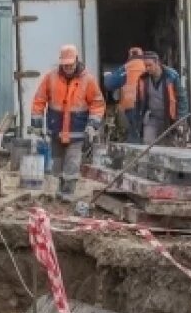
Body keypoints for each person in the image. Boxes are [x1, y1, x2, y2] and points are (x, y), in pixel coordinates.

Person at [31, 44, 106, 200]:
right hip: (56, 128)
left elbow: (97, 104)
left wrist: (92, 126)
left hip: (77, 130)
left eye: (70, 65)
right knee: (57, 162)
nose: (68, 68)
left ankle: (68, 193)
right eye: (65, 65)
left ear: (76, 61)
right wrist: (36, 124)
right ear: (61, 62)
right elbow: (39, 100)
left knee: (72, 162)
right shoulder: (50, 77)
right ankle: (56, 191)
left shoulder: (88, 80)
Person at [136, 51, 190, 145]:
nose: (147, 68)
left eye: (150, 65)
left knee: (167, 146)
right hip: (152, 117)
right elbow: (139, 102)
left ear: (157, 63)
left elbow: (182, 98)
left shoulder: (171, 76)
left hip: (168, 118)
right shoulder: (143, 79)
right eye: (145, 66)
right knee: (148, 142)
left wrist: (180, 120)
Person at [105, 47, 147, 143]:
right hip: (146, 107)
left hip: (130, 106)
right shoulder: (148, 66)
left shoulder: (126, 68)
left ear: (129, 56)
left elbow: (109, 85)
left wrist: (107, 75)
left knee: (133, 137)